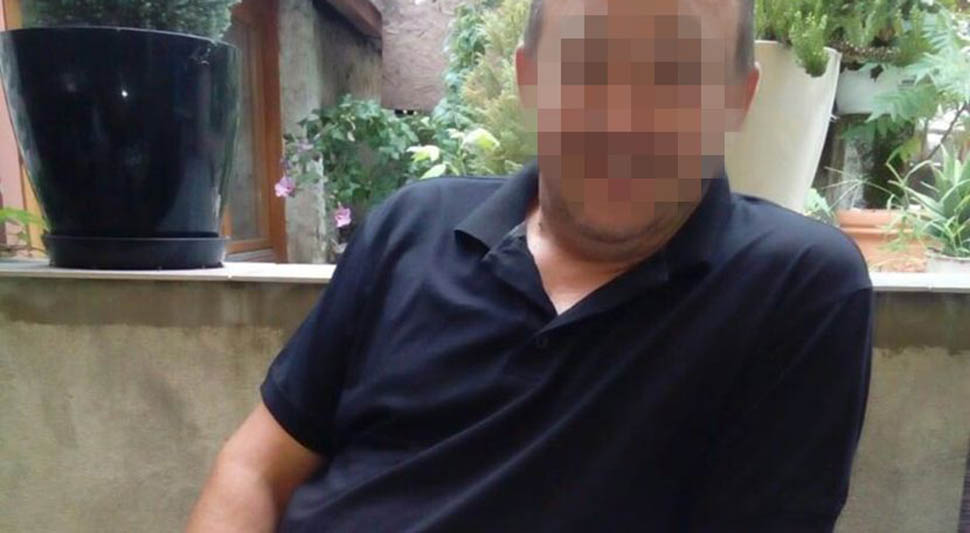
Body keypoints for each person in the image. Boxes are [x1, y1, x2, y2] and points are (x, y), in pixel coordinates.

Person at [187, 0, 874, 530]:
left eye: (676, 74)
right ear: (529, 80)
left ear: (738, 100)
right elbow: (255, 468)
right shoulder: (410, 226)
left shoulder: (792, 288)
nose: (624, 119)